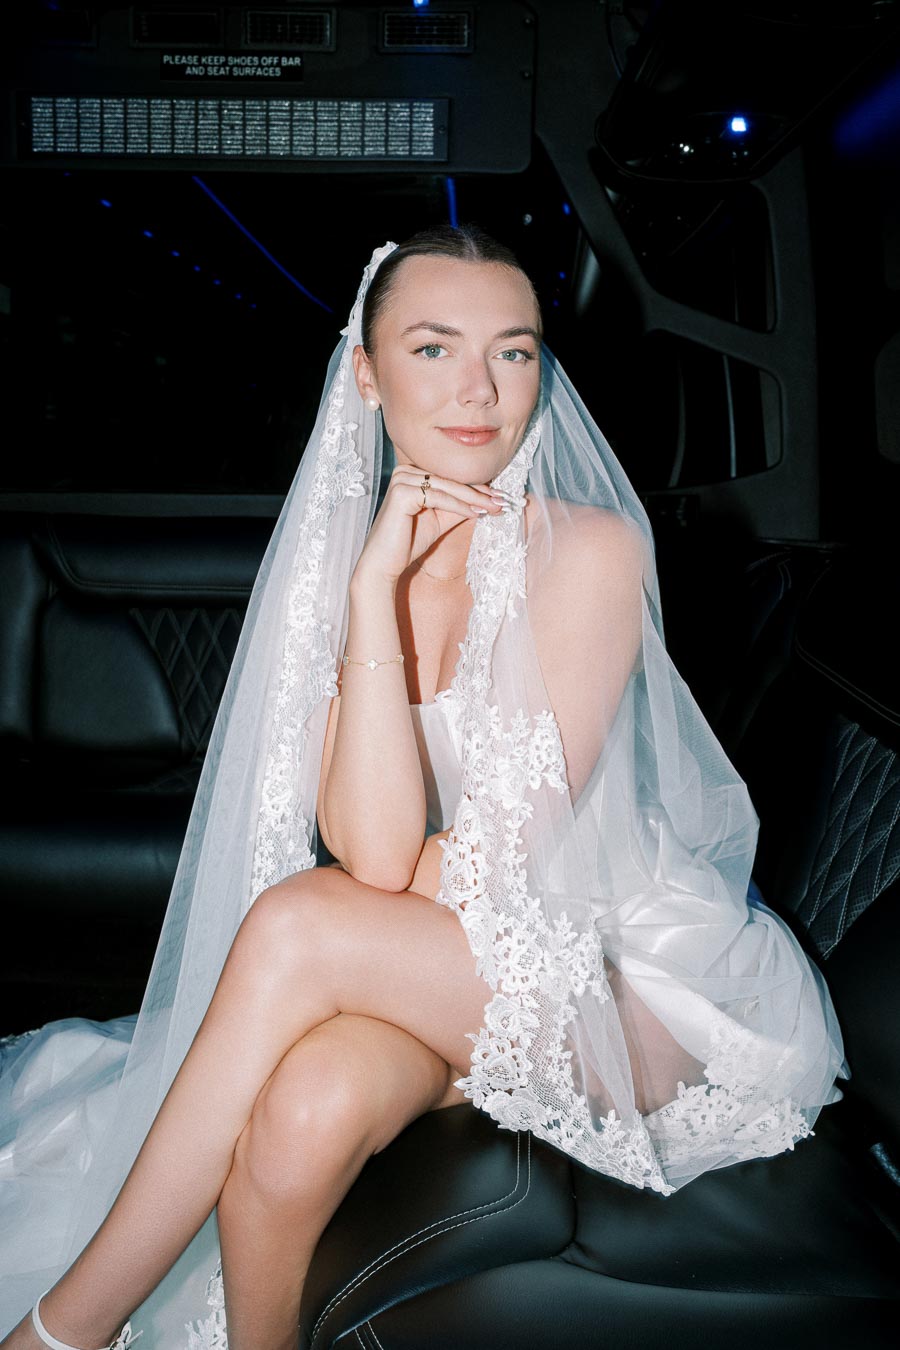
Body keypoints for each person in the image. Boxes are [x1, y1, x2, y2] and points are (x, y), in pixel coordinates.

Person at [0, 225, 845, 1350]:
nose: (482, 392)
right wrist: (371, 605)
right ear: (366, 370)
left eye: (515, 352)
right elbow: (381, 853)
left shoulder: (591, 550)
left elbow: (471, 870)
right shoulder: (347, 563)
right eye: (436, 348)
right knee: (302, 1113)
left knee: (300, 923)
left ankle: (61, 1335)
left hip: (634, 987)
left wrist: (365, 917)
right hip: (448, 963)